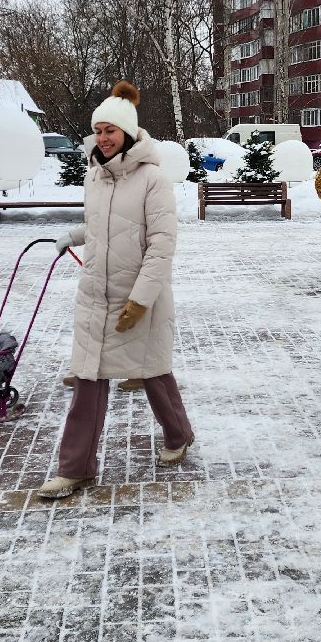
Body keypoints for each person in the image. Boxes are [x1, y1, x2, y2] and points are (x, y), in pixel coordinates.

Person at [38, 81, 194, 500]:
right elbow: (103, 225)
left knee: (152, 371)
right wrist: (73, 235)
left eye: (112, 130)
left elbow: (162, 245)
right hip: (96, 293)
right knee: (89, 379)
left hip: (137, 294)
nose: (104, 138)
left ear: (128, 132)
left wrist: (140, 301)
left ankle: (178, 434)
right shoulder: (96, 175)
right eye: (99, 130)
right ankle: (76, 468)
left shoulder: (152, 179)